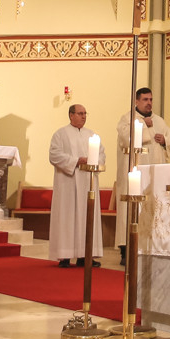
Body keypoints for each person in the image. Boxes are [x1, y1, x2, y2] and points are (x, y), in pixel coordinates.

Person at [115, 87, 170, 262]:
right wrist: (146, 128)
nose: (149, 103)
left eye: (150, 99)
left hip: (154, 176)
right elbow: (125, 138)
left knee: (153, 208)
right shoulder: (128, 119)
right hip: (134, 174)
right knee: (130, 209)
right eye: (145, 100)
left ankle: (151, 247)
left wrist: (165, 140)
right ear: (136, 101)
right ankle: (126, 250)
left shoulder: (159, 121)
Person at [49, 104, 105, 269]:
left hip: (88, 182)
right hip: (68, 182)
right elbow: (54, 155)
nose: (83, 116)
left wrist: (93, 161)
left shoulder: (92, 135)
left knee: (87, 217)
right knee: (67, 218)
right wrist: (76, 161)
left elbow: (101, 155)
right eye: (80, 113)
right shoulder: (60, 134)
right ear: (71, 115)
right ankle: (64, 256)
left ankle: (85, 256)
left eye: (85, 113)